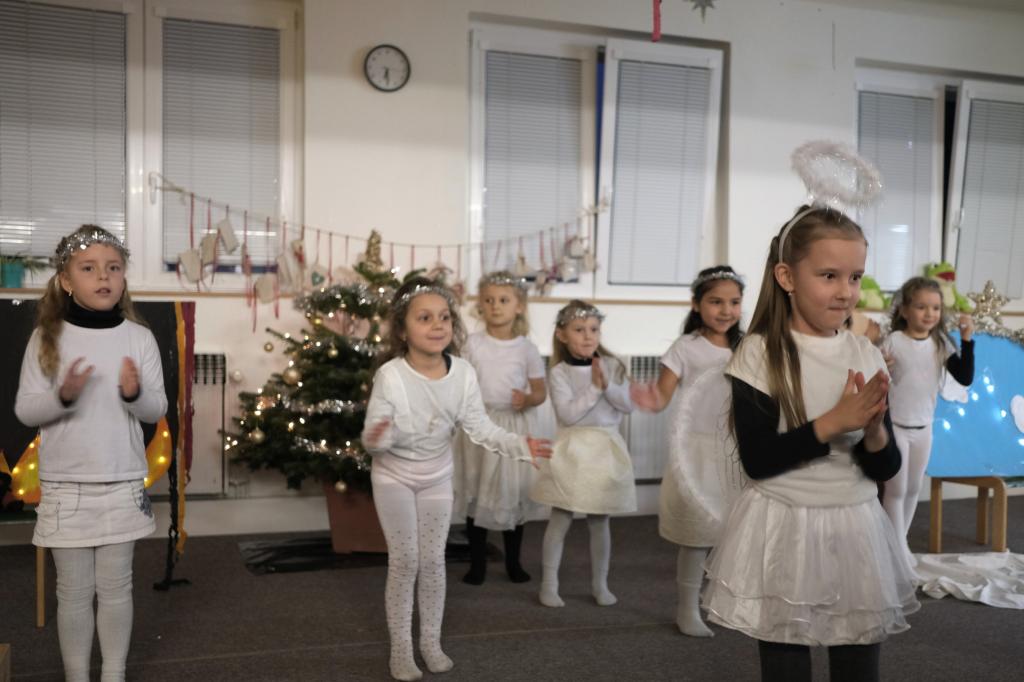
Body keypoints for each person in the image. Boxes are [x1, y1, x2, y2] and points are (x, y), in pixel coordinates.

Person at [702, 206, 919, 682]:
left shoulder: (865, 353)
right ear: (787, 277)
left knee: (857, 659)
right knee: (786, 660)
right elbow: (759, 460)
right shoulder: (759, 353)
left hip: (854, 524)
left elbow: (884, 468)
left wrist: (875, 431)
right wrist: (832, 423)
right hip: (785, 524)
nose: (845, 291)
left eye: (855, 277)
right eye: (828, 276)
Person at [361, 276, 551, 681]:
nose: (438, 325)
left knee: (433, 561)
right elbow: (375, 438)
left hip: (436, 477)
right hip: (394, 477)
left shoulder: (463, 372)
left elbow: (480, 428)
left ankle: (430, 643)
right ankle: (401, 651)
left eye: (444, 317)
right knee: (406, 561)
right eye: (424, 318)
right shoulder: (390, 376)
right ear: (402, 330)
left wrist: (520, 445)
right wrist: (378, 438)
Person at [15, 225, 166, 682]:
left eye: (113, 268)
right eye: (89, 268)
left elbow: (156, 408)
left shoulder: (139, 338)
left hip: (121, 484)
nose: (103, 276)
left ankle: (113, 673)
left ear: (123, 278)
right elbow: (25, 410)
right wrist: (62, 396)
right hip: (66, 488)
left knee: (117, 588)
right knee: (74, 592)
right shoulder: (47, 338)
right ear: (66, 280)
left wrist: (134, 393)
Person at [631, 265, 744, 637]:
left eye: (734, 302)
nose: (726, 310)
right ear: (696, 304)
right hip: (697, 450)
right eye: (716, 302)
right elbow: (662, 396)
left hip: (736, 450)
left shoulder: (747, 346)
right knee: (698, 535)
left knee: (732, 533)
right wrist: (648, 398)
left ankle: (724, 602)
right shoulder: (686, 347)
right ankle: (686, 608)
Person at [531, 300, 635, 608]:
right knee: (561, 518)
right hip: (573, 450)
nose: (588, 336)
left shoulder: (613, 365)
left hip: (604, 449)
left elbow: (627, 405)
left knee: (599, 521)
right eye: (579, 330)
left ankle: (600, 584)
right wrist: (594, 388)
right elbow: (569, 414)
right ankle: (549, 584)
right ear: (562, 335)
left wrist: (607, 385)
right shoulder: (559, 373)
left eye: (593, 329)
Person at [455, 271, 547, 585]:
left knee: (512, 493)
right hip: (479, 426)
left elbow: (540, 391)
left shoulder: (526, 349)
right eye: (489, 300)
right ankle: (477, 563)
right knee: (477, 489)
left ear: (518, 306)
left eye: (504, 300)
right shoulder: (472, 344)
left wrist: (528, 399)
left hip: (513, 426)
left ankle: (513, 562)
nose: (496, 306)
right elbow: (461, 382)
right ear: (481, 305)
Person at [880, 276, 974, 552]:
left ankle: (900, 544)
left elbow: (965, 377)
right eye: (921, 307)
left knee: (912, 489)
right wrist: (881, 365)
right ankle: (896, 549)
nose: (929, 313)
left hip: (924, 429)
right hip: (896, 427)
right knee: (896, 490)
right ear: (905, 310)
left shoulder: (940, 343)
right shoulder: (894, 341)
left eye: (935, 308)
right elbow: (876, 375)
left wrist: (967, 340)